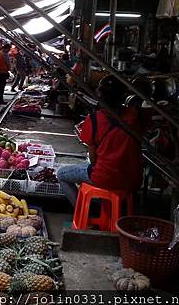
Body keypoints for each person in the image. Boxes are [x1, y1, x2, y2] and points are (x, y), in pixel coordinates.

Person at [56, 76, 143, 207]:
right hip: (133, 180)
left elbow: (94, 159)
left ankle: (83, 211)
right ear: (124, 95)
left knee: (61, 174)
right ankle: (104, 206)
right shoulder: (136, 115)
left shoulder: (94, 120)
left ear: (100, 95)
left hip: (105, 178)